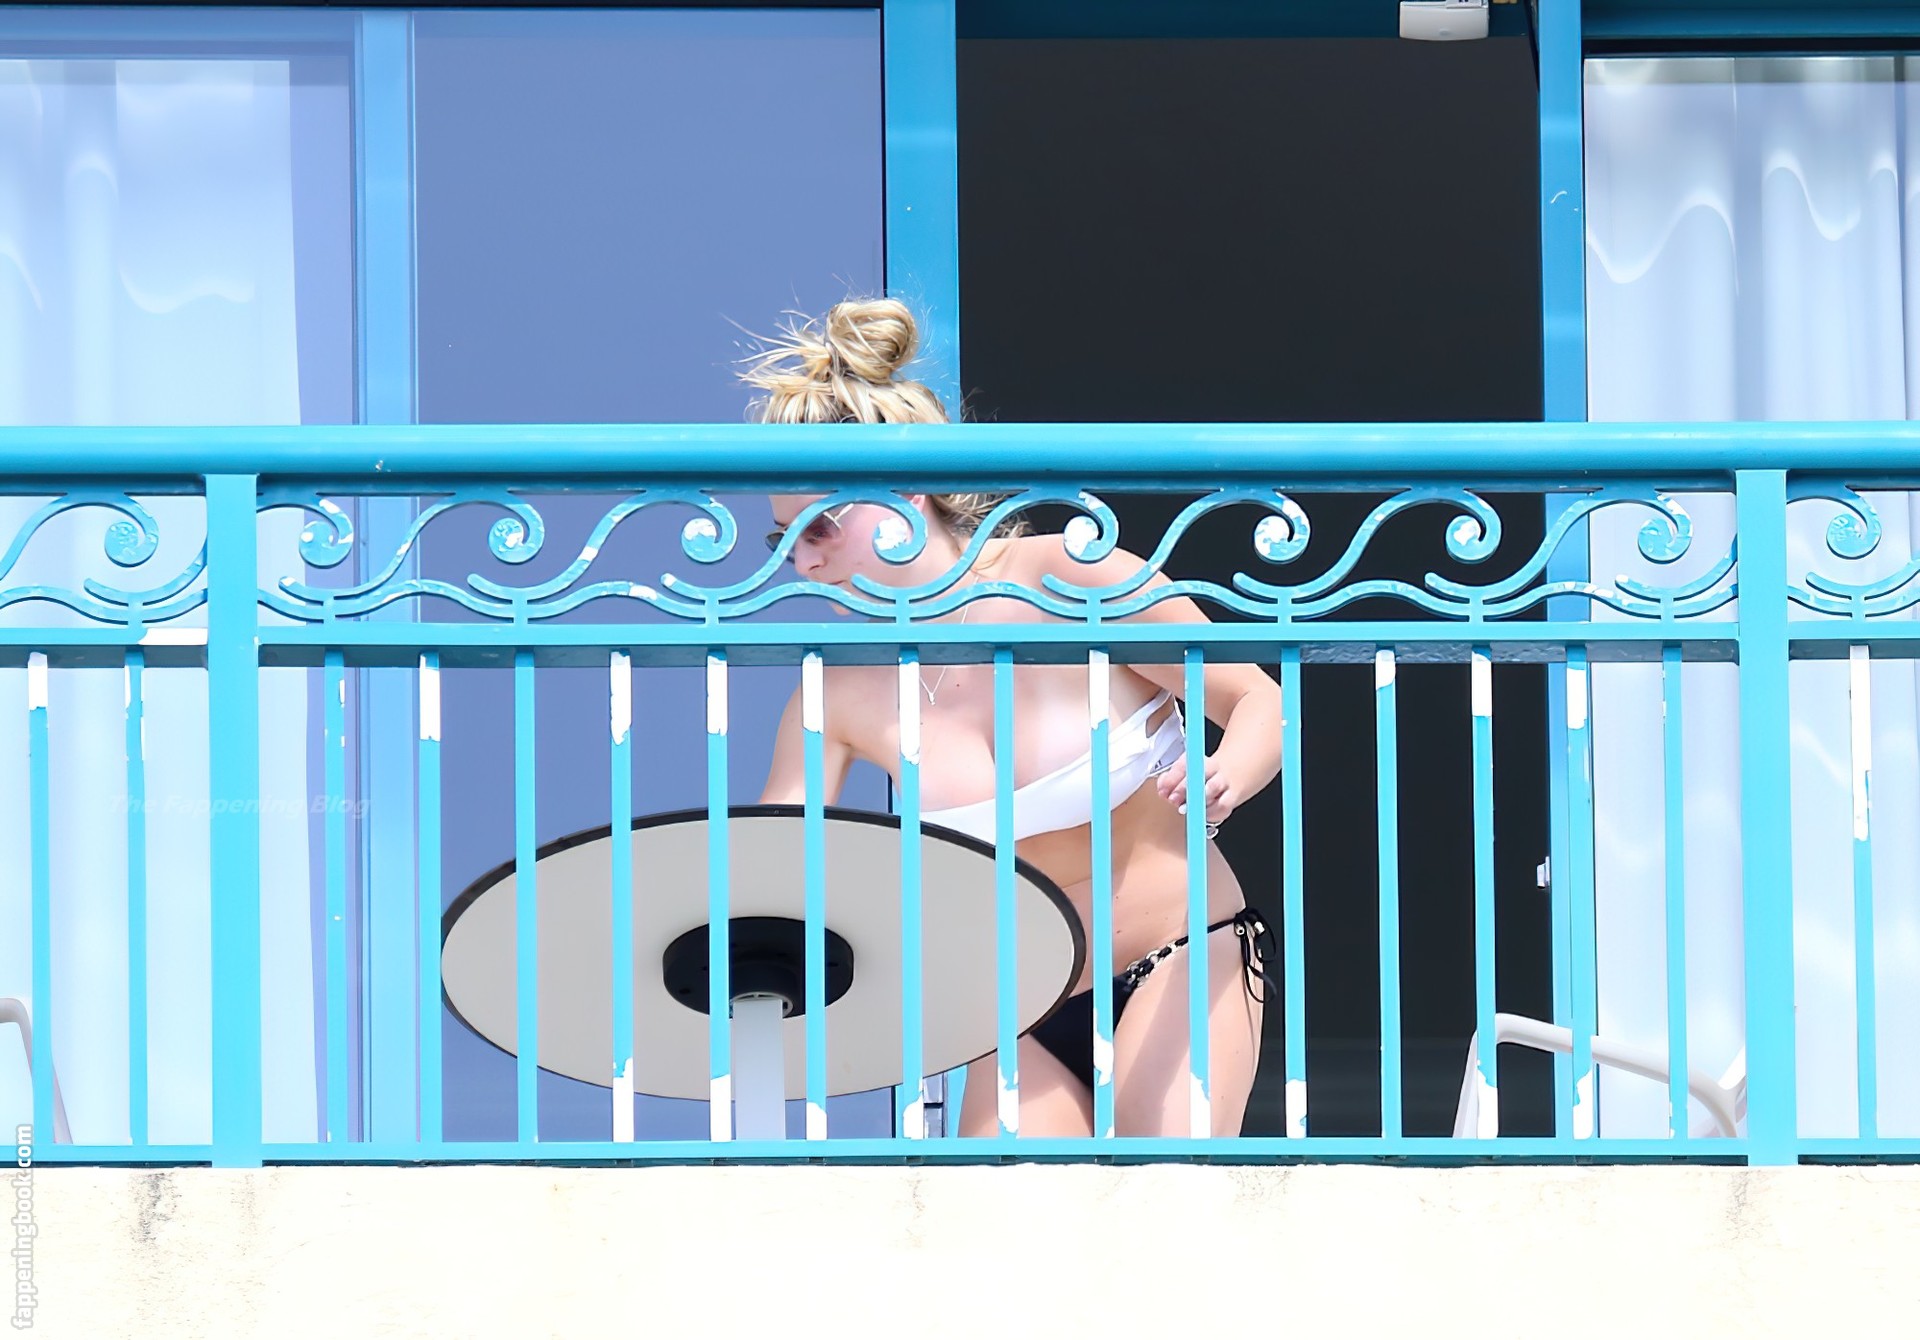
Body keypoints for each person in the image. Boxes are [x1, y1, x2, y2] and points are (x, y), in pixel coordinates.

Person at [746, 297, 1284, 1137]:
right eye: (781, 539)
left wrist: (1230, 773)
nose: (802, 559)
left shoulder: (1067, 577)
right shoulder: (837, 688)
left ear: (906, 490)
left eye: (821, 526)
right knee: (1009, 1210)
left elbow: (1255, 698)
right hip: (1018, 1007)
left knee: (1166, 1192)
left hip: (1180, 951)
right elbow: (768, 862)